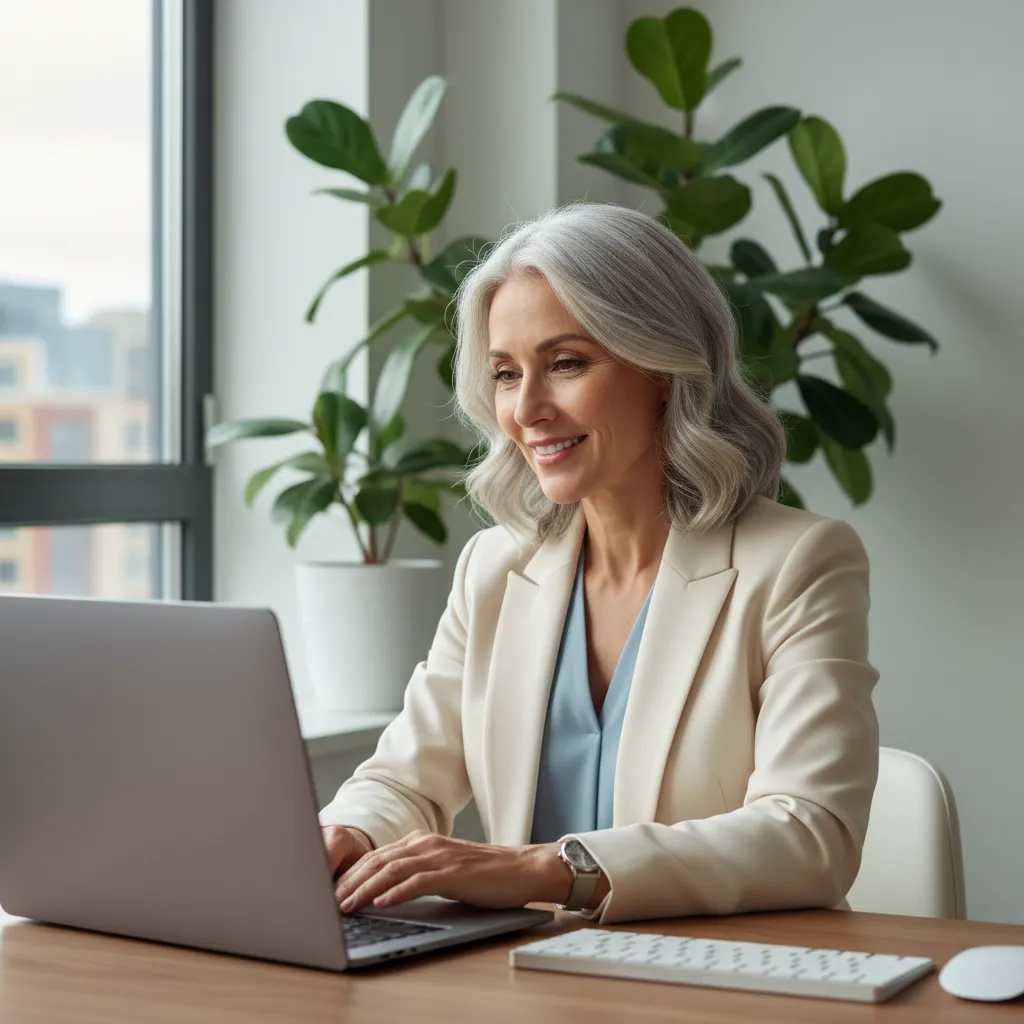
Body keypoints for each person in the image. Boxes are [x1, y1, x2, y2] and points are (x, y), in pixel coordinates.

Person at [320, 203, 879, 925]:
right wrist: (350, 833)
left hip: (717, 982)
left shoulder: (799, 561)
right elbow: (404, 776)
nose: (525, 410)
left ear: (665, 368)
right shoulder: (494, 569)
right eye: (504, 374)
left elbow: (811, 834)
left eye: (566, 364)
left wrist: (541, 868)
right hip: (527, 982)